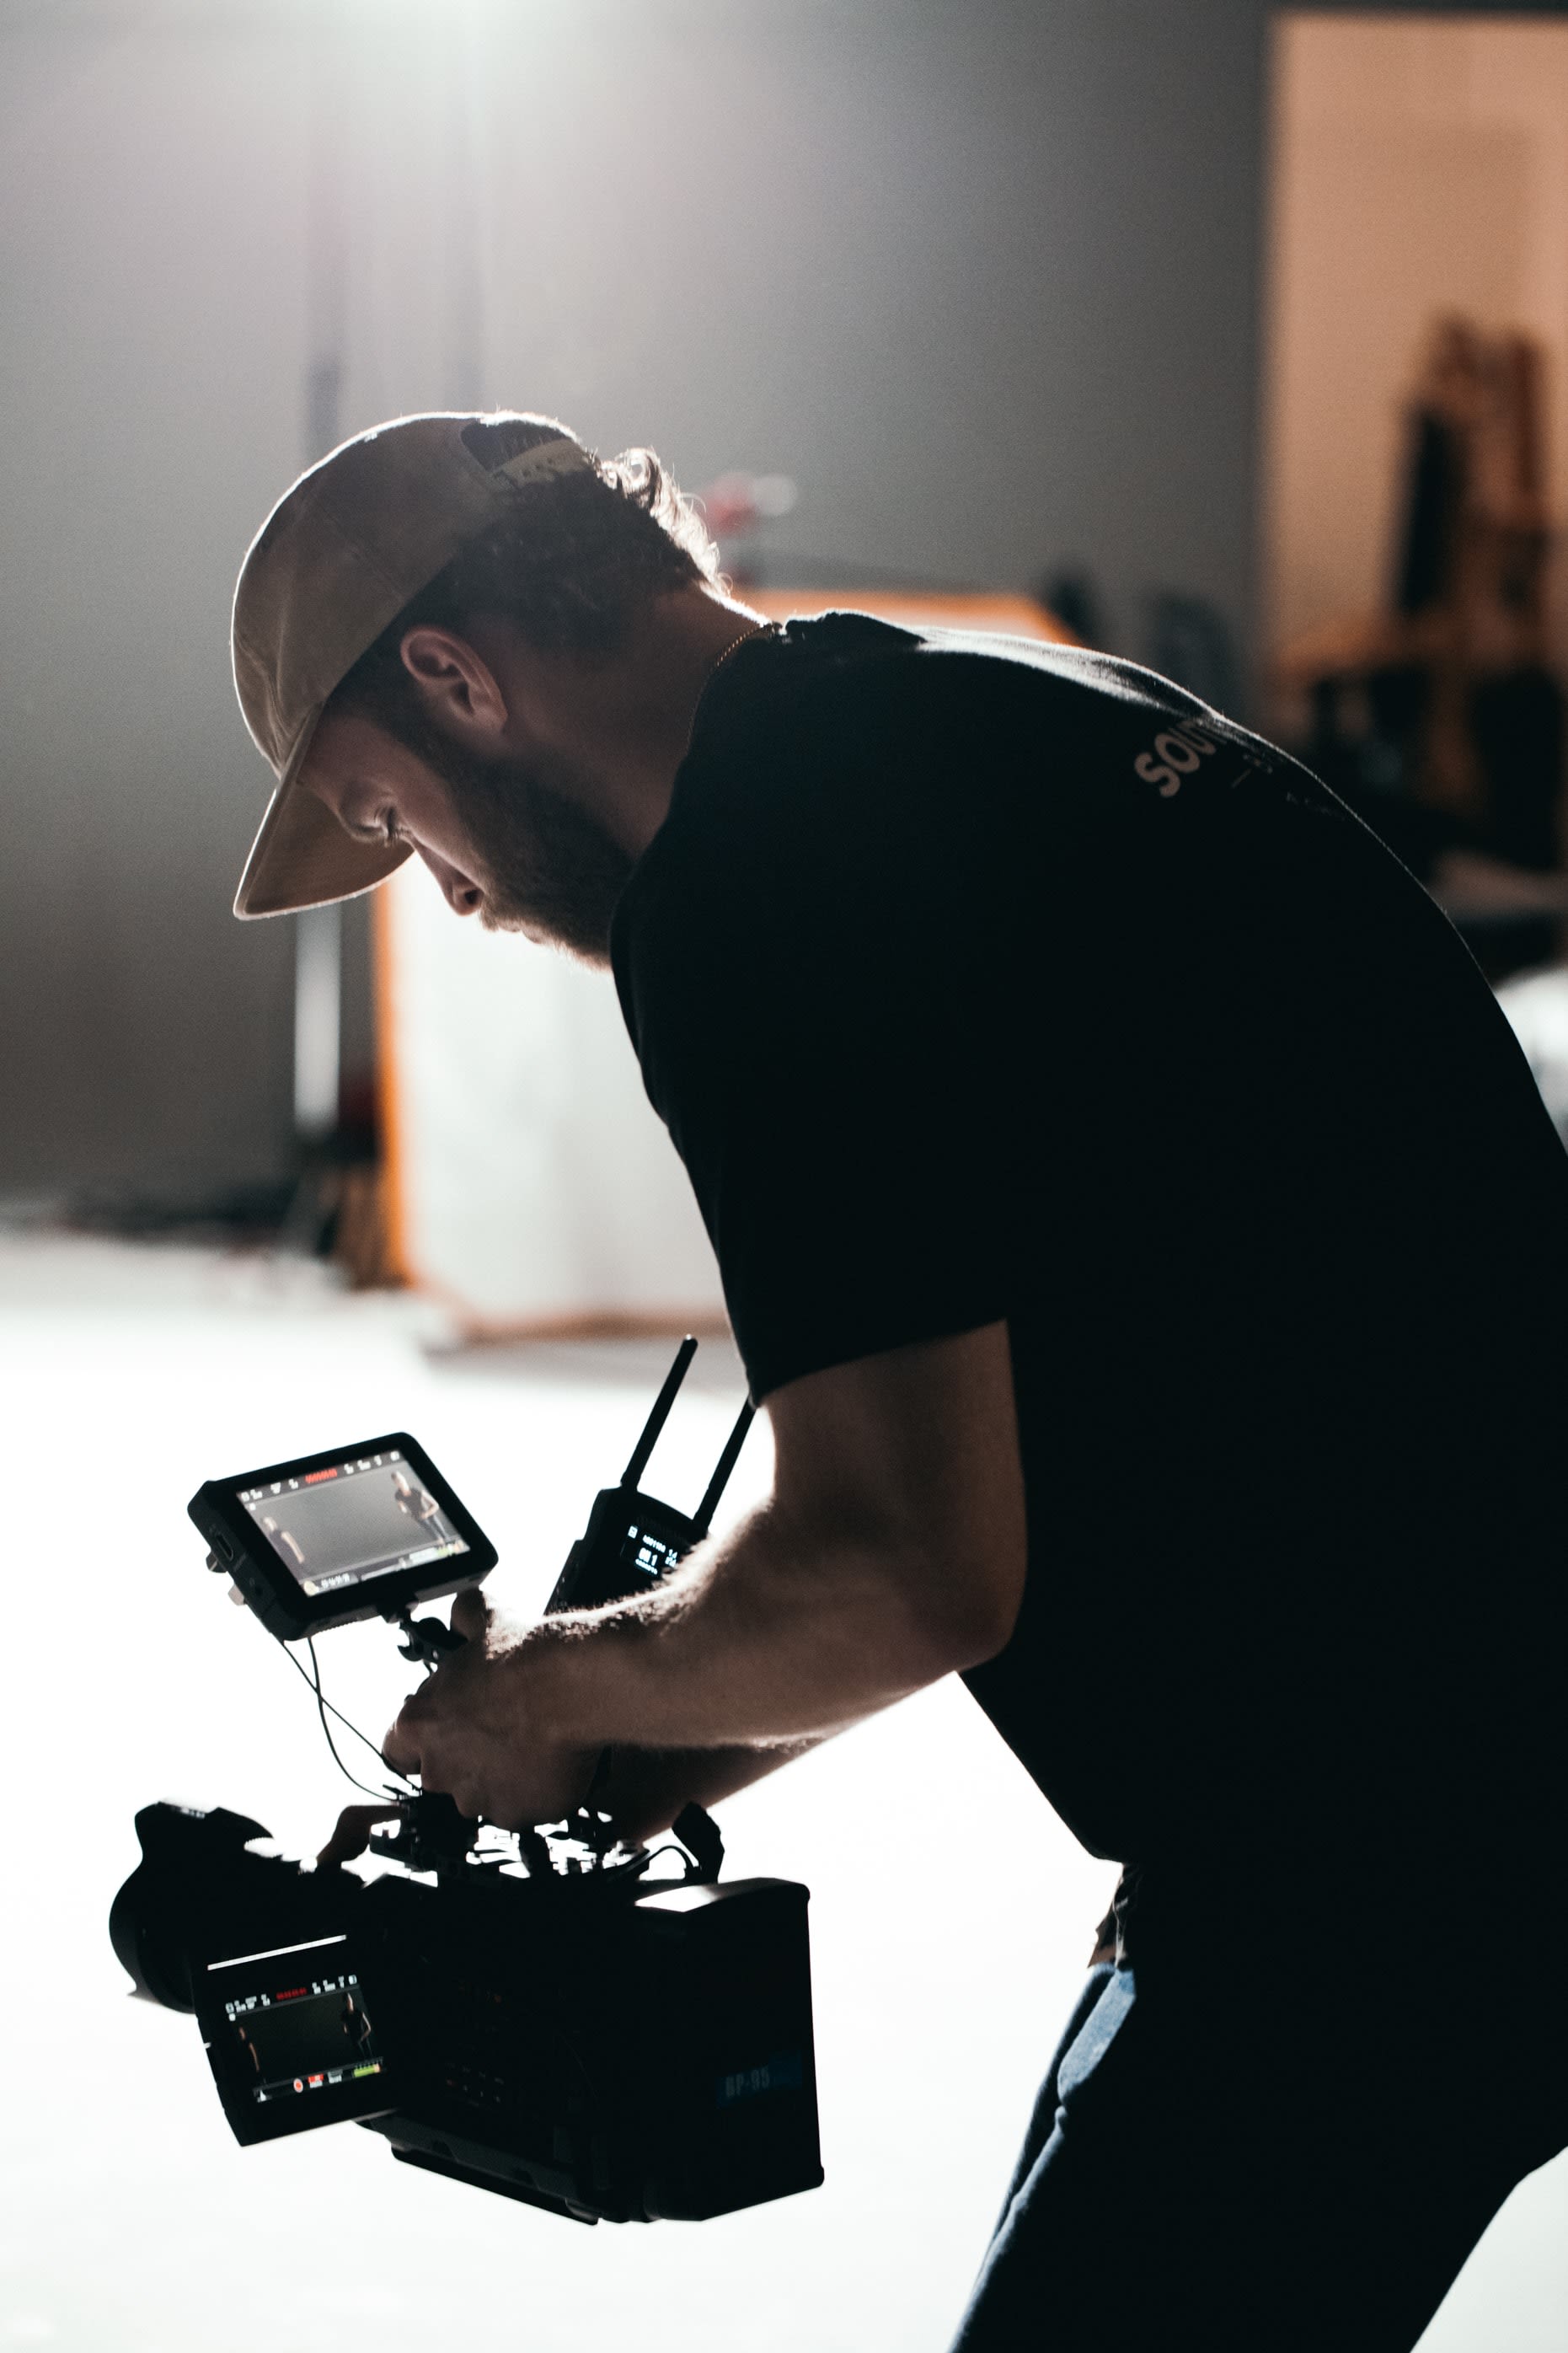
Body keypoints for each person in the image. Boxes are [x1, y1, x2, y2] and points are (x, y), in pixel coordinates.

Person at [230, 411, 1568, 2350]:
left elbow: (899, 1571)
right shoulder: (1024, 703)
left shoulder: (756, 886)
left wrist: (542, 1684)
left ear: (455, 680)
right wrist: (638, 1739)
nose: (438, 892)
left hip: (1388, 1862)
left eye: (384, 817)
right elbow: (966, 1506)